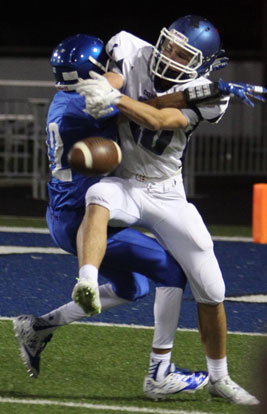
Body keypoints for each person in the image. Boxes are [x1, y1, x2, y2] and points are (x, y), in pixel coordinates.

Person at [73, 15, 266, 405]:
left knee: (212, 288)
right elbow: (115, 82)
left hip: (167, 192)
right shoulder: (129, 48)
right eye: (170, 45)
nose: (170, 55)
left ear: (201, 63)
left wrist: (118, 100)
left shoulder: (212, 94)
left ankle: (219, 378)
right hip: (125, 181)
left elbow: (159, 116)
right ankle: (88, 281)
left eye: (183, 53)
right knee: (99, 197)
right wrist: (104, 88)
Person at [13, 34, 209, 396]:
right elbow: (152, 112)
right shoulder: (90, 105)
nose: (113, 70)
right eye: (105, 66)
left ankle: (38, 327)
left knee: (132, 287)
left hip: (65, 213)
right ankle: (159, 374)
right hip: (80, 216)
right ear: (91, 71)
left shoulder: (65, 100)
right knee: (172, 271)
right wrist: (204, 93)